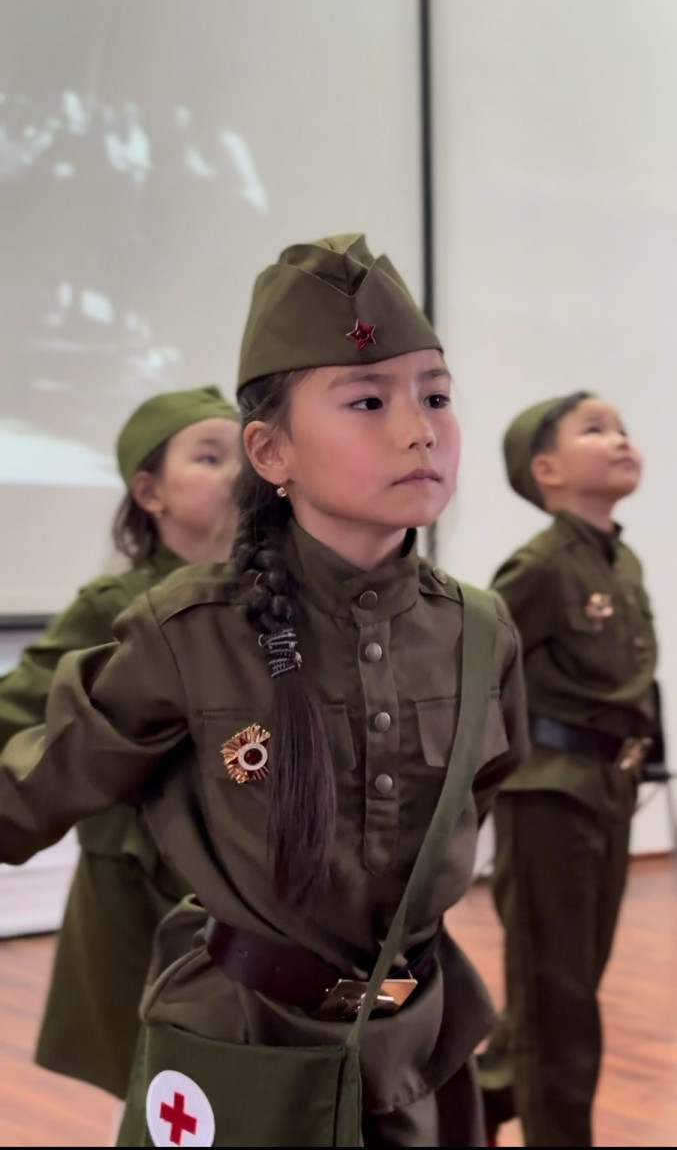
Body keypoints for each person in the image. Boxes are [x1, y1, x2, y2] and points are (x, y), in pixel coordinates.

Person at [0, 234, 529, 1147]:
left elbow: (475, 797)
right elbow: (27, 794)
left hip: (417, 1053)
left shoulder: (479, 631)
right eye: (367, 401)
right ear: (271, 450)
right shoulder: (189, 631)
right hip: (241, 1056)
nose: (419, 429)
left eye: (436, 396)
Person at [0, 385, 239, 1100]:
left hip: (245, 883)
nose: (237, 473)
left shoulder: (273, 598)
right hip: (138, 887)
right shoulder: (113, 607)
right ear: (149, 492)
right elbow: (16, 713)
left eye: (246, 455)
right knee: (155, 1086)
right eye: (209, 457)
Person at [478, 392, 658, 1147]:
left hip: (607, 791)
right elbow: (474, 670)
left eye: (622, 429)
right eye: (594, 430)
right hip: (549, 797)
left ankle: (472, 1105)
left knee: (567, 986)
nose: (619, 440)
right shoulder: (543, 565)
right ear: (545, 469)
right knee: (558, 1000)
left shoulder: (619, 559)